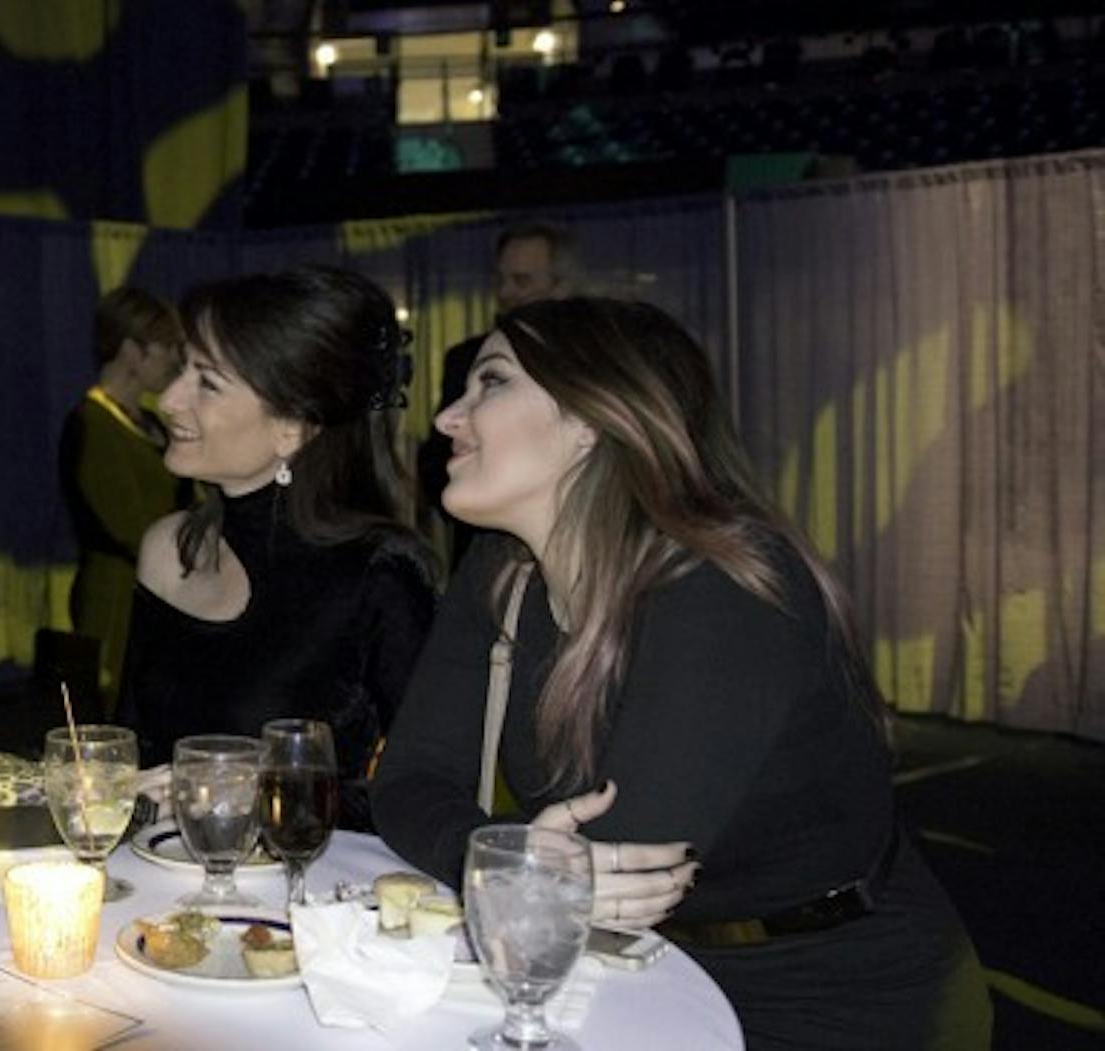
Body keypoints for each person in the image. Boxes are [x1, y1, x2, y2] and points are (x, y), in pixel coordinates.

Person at [374, 298, 991, 1049]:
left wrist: (514, 861)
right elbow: (408, 782)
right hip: (646, 973)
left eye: (490, 383)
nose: (448, 417)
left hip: (835, 993)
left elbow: (635, 854)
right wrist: (505, 857)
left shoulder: (722, 585)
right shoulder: (502, 574)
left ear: (594, 419)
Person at [119, 266, 437, 831]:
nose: (168, 399)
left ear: (292, 425)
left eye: (206, 382)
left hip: (308, 899)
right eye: (181, 368)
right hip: (167, 890)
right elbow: (132, 751)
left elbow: (428, 789)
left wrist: (255, 794)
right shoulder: (170, 548)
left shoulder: (378, 573)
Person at [57, 287, 191, 712]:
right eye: (165, 346)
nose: (174, 357)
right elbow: (128, 525)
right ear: (131, 350)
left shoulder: (151, 421)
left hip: (158, 590)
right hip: (115, 600)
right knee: (113, 710)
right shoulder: (93, 421)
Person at [419, 220, 580, 572]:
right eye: (500, 280)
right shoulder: (465, 357)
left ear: (561, 288)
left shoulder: (587, 365)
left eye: (522, 280)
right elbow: (434, 461)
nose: (506, 292)